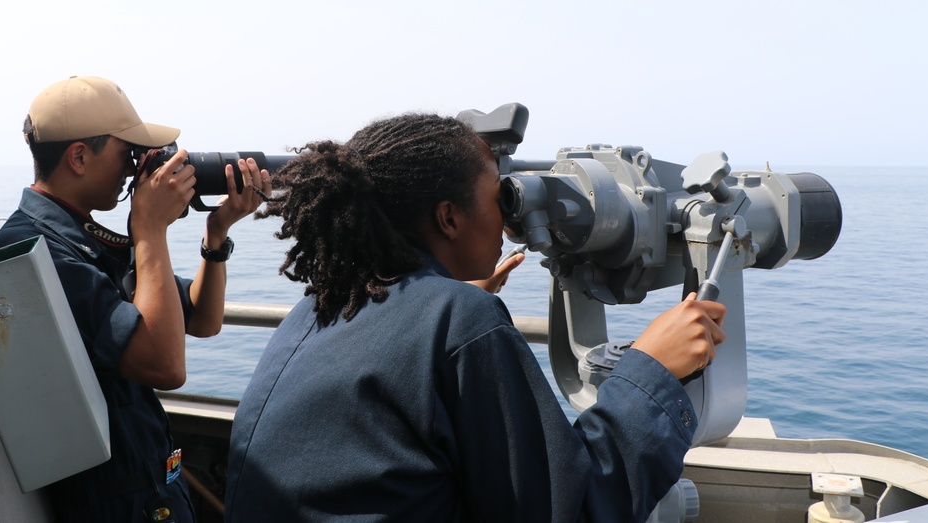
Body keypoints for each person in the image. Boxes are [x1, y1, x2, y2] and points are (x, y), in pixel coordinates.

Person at [224, 113, 726, 522]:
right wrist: (651, 371)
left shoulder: (321, 305)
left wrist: (441, 298)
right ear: (448, 218)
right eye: (497, 198)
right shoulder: (459, 320)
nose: (508, 224)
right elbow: (570, 510)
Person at [0, 76, 269, 522]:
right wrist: (150, 229)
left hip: (149, 487)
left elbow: (200, 320)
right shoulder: (34, 252)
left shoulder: (80, 236)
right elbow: (166, 366)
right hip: (116, 505)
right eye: (127, 153)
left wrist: (217, 233)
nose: (135, 169)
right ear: (79, 157)